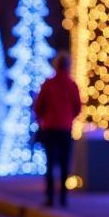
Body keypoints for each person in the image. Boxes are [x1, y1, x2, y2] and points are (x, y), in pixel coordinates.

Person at [34, 52, 81, 207]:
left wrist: (44, 118)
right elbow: (77, 107)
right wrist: (68, 118)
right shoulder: (71, 84)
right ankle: (63, 198)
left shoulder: (49, 84)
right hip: (65, 129)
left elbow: (39, 106)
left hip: (50, 128)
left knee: (50, 163)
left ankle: (50, 198)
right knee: (64, 163)